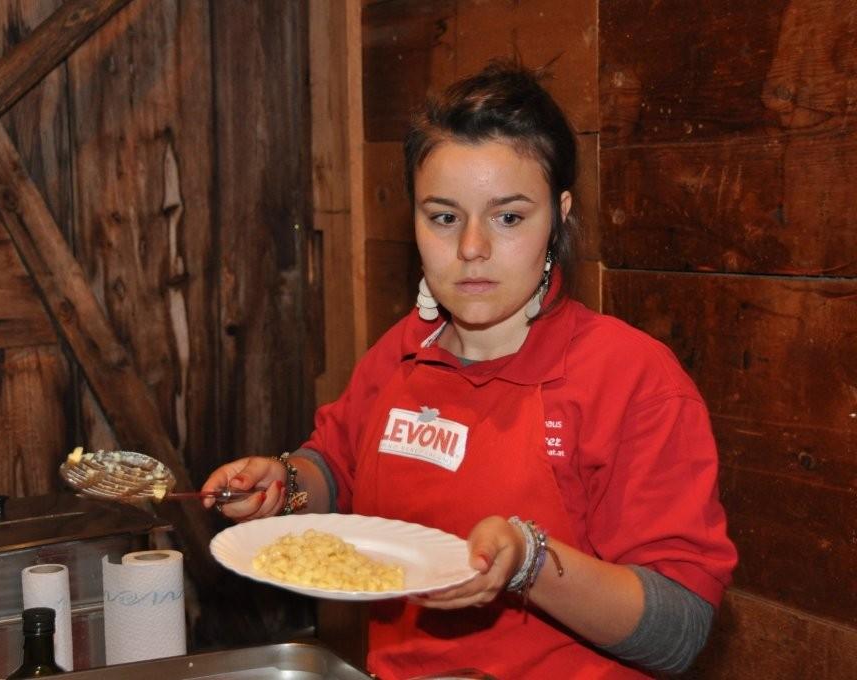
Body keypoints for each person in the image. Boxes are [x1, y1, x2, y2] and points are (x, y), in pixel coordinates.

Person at [202, 62, 737, 679]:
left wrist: (530, 562)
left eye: (509, 217)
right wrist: (285, 484)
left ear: (559, 214)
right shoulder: (402, 351)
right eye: (444, 217)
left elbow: (680, 631)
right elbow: (336, 469)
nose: (471, 248)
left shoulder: (632, 378)